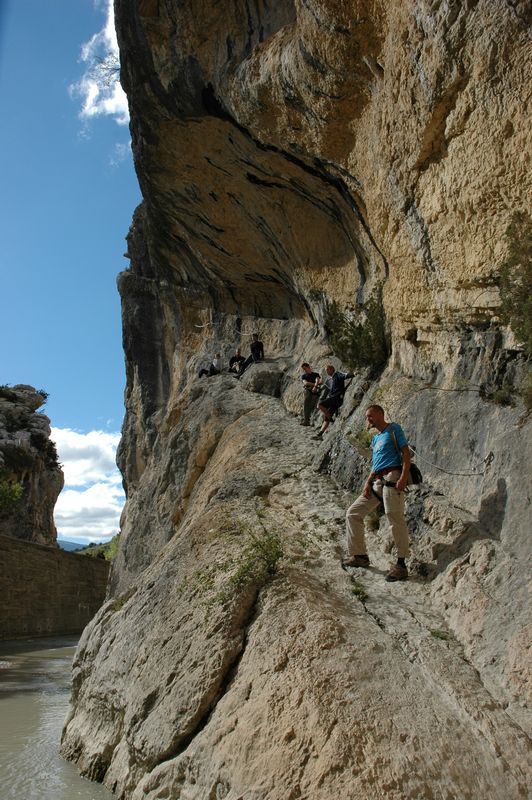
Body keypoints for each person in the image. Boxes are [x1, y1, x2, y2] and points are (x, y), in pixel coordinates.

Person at [344, 404, 411, 582]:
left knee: (394, 516)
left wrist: (403, 477)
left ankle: (401, 565)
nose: (368, 419)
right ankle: (359, 555)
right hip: (378, 480)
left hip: (393, 476)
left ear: (381, 414)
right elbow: (375, 464)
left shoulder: (394, 429)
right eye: (367, 417)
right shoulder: (375, 439)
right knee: (353, 513)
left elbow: (405, 453)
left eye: (371, 416)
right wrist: (367, 482)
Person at [314, 364, 353, 439]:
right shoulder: (329, 379)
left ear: (332, 369)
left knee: (320, 405)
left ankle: (331, 419)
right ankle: (320, 434)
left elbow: (346, 375)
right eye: (326, 370)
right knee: (326, 418)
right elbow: (323, 387)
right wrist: (316, 387)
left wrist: (354, 374)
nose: (327, 372)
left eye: (328, 370)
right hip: (333, 398)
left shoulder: (337, 374)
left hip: (336, 397)